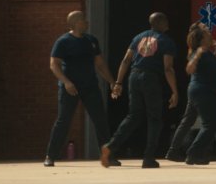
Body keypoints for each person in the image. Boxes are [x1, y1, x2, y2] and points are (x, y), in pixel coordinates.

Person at [100, 12, 179, 169]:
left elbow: (126, 60)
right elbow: (168, 68)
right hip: (150, 79)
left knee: (134, 116)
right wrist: (175, 91)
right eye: (165, 21)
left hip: (134, 77)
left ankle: (110, 147)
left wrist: (118, 82)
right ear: (160, 23)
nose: (168, 24)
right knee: (154, 119)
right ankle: (148, 158)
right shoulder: (166, 41)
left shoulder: (138, 38)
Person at [44, 11, 119, 167]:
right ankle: (50, 156)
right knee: (64, 121)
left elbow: (100, 64)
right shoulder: (63, 41)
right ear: (76, 22)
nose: (87, 22)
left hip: (90, 86)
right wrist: (66, 82)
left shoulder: (91, 40)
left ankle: (108, 156)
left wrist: (112, 82)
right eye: (84, 20)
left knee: (100, 120)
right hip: (70, 88)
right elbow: (54, 64)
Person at [165, 23, 216, 163]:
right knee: (210, 124)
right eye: (206, 32)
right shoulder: (197, 52)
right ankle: (194, 153)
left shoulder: (207, 52)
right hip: (202, 91)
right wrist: (198, 54)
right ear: (201, 39)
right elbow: (189, 69)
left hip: (208, 91)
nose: (210, 33)